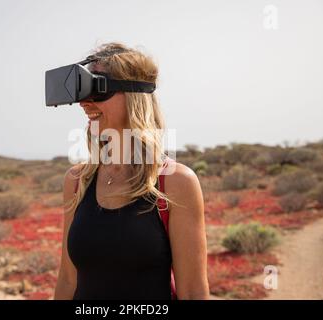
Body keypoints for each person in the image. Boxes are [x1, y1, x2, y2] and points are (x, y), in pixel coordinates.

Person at [54, 42, 209, 300]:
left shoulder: (174, 182)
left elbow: (192, 293)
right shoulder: (77, 181)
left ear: (135, 97)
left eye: (97, 89)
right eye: (82, 91)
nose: (84, 102)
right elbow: (68, 280)